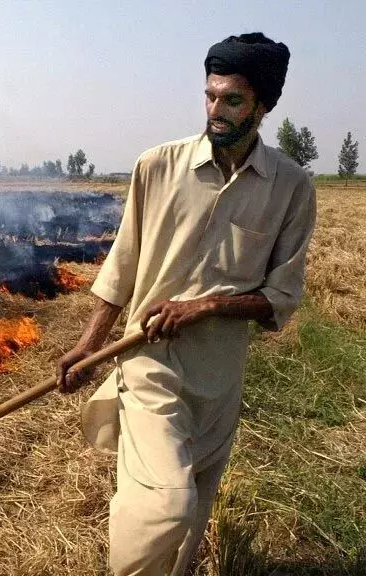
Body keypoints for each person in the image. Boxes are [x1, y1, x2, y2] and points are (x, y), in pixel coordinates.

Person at [56, 32, 316, 575]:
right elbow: (121, 267)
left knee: (190, 519)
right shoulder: (157, 165)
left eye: (232, 100)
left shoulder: (291, 187)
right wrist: (86, 347)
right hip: (149, 363)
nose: (215, 111)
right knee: (164, 505)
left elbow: (281, 297)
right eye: (210, 96)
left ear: (263, 106)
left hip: (220, 376)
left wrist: (207, 306)